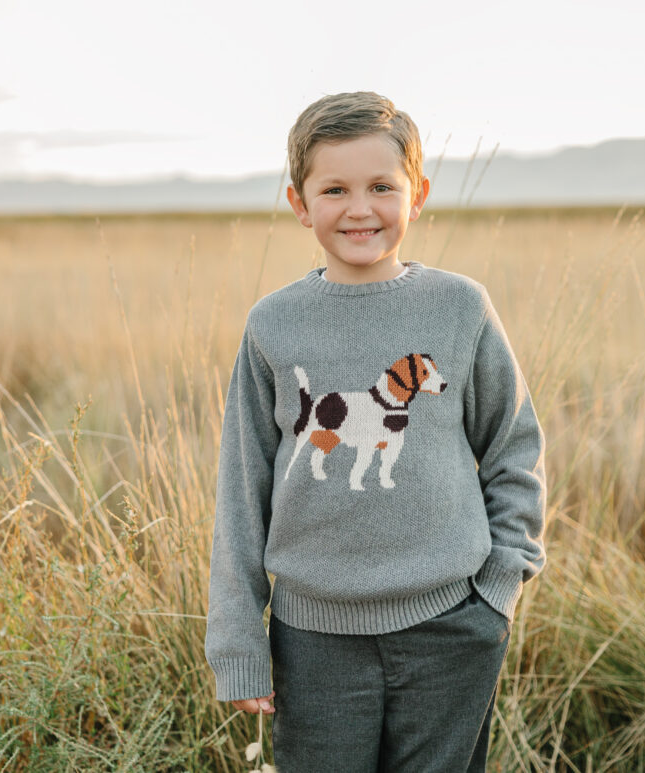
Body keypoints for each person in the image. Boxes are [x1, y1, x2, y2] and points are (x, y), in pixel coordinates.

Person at [204, 91, 546, 772]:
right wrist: (240, 644)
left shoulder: (459, 307)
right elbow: (243, 492)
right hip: (313, 640)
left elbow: (514, 449)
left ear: (416, 194)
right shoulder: (273, 325)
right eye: (335, 188)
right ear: (300, 203)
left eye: (381, 187)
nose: (360, 208)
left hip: (454, 626)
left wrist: (500, 588)